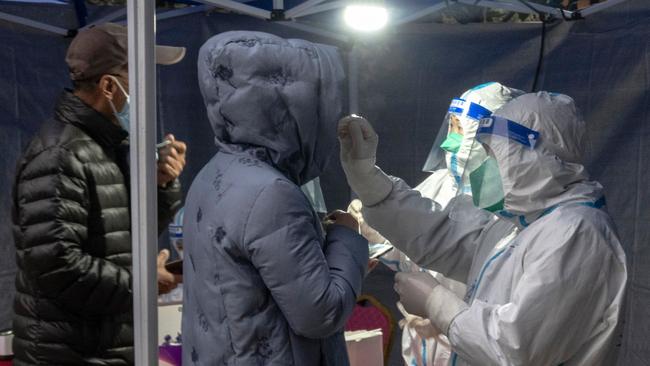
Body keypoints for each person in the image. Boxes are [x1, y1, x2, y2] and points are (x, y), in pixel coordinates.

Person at [339, 91, 627, 365]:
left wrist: (435, 302)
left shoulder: (576, 233)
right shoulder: (522, 222)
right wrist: (369, 181)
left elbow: (515, 350)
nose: (481, 168)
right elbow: (444, 239)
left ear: (529, 155)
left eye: (491, 155)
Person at [182, 31, 369, 366]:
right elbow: (321, 313)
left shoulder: (212, 173)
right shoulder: (272, 193)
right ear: (290, 106)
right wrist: (347, 237)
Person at [11, 23, 187, 365]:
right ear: (109, 86)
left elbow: (122, 232)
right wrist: (141, 282)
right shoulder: (60, 155)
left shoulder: (107, 146)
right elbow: (57, 265)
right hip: (69, 355)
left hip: (103, 347)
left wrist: (161, 184)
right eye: (140, 79)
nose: (148, 91)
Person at [349, 82, 523, 366]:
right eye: (449, 127)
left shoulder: (514, 205)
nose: (447, 142)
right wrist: (375, 233)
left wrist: (435, 300)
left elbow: (462, 259)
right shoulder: (443, 183)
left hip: (473, 346)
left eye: (458, 129)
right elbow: (417, 247)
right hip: (423, 345)